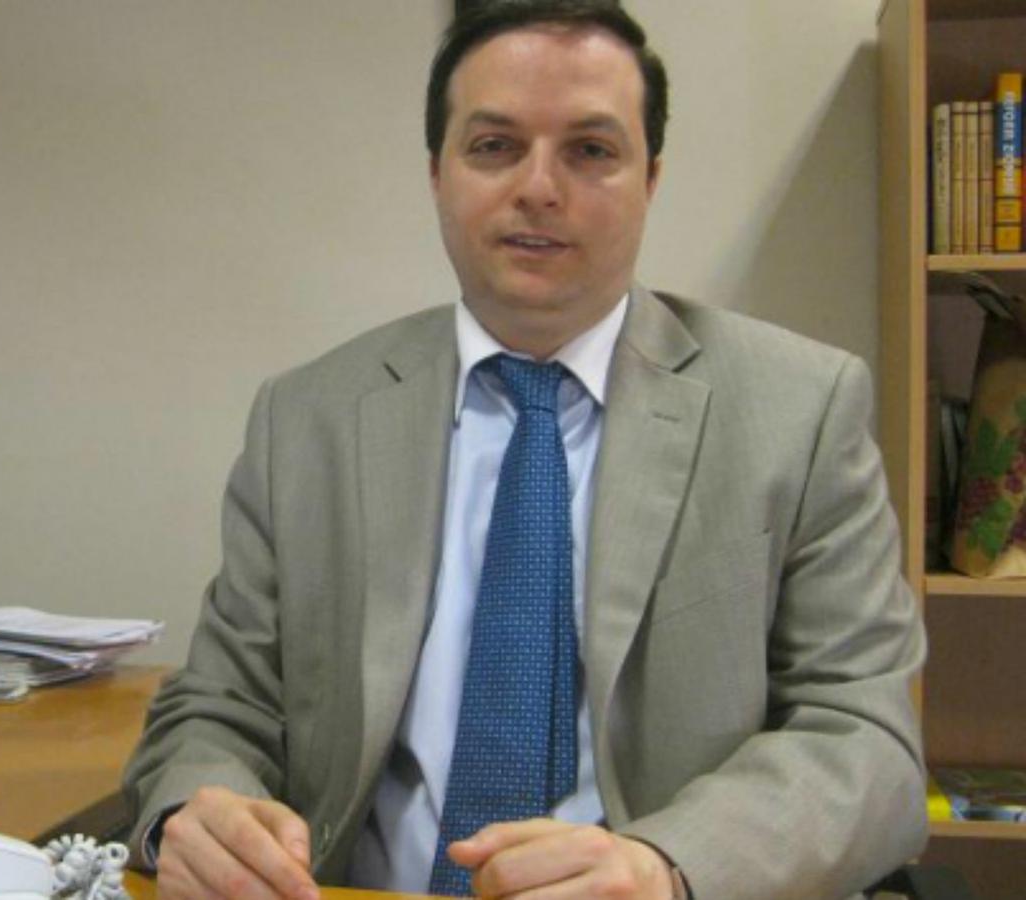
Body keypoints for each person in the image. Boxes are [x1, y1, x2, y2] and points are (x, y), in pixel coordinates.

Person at [121, 2, 928, 898]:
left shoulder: (799, 410)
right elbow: (217, 705)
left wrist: (668, 868)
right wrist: (199, 811)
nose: (539, 187)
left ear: (651, 179)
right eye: (495, 146)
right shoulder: (308, 419)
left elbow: (868, 744)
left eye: (591, 150)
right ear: (438, 174)